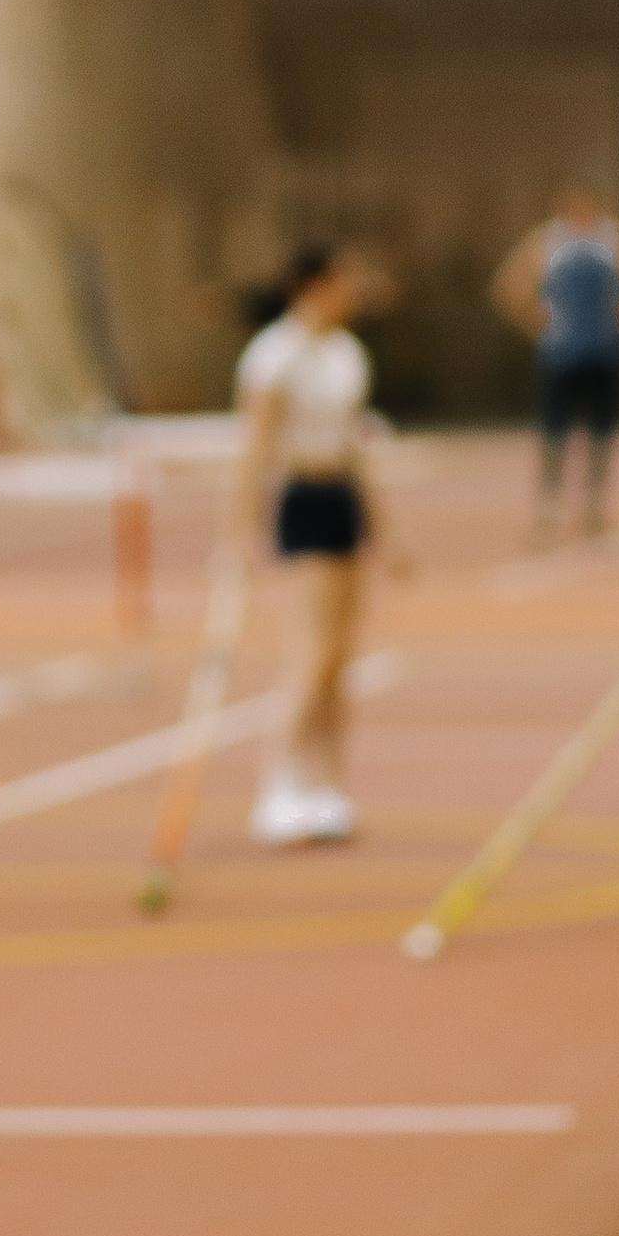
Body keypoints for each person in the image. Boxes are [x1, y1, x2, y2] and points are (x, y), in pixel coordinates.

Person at [234, 247, 405, 847]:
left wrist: (387, 531)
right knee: (310, 651)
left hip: (341, 500)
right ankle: (277, 785)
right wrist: (240, 535)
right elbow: (256, 450)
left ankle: (326, 785)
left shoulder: (347, 354)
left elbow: (357, 447)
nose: (353, 291)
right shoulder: (273, 356)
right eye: (343, 281)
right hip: (299, 499)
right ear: (313, 287)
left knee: (339, 659)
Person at [493, 187, 619, 543]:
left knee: (601, 429)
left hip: (604, 352)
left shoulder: (616, 240)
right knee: (555, 429)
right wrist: (534, 318)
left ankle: (592, 501)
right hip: (562, 354)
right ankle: (550, 502)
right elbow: (509, 286)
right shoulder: (547, 241)